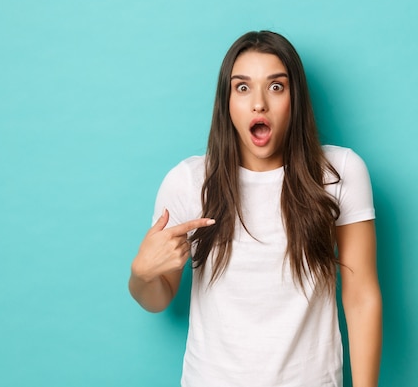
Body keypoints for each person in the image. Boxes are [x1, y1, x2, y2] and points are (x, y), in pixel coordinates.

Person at [129, 31, 382, 387]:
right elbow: (158, 298)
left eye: (276, 87)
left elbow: (361, 296)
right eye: (243, 88)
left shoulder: (340, 172)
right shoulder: (188, 181)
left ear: (295, 98)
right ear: (227, 101)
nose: (258, 103)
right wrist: (141, 275)